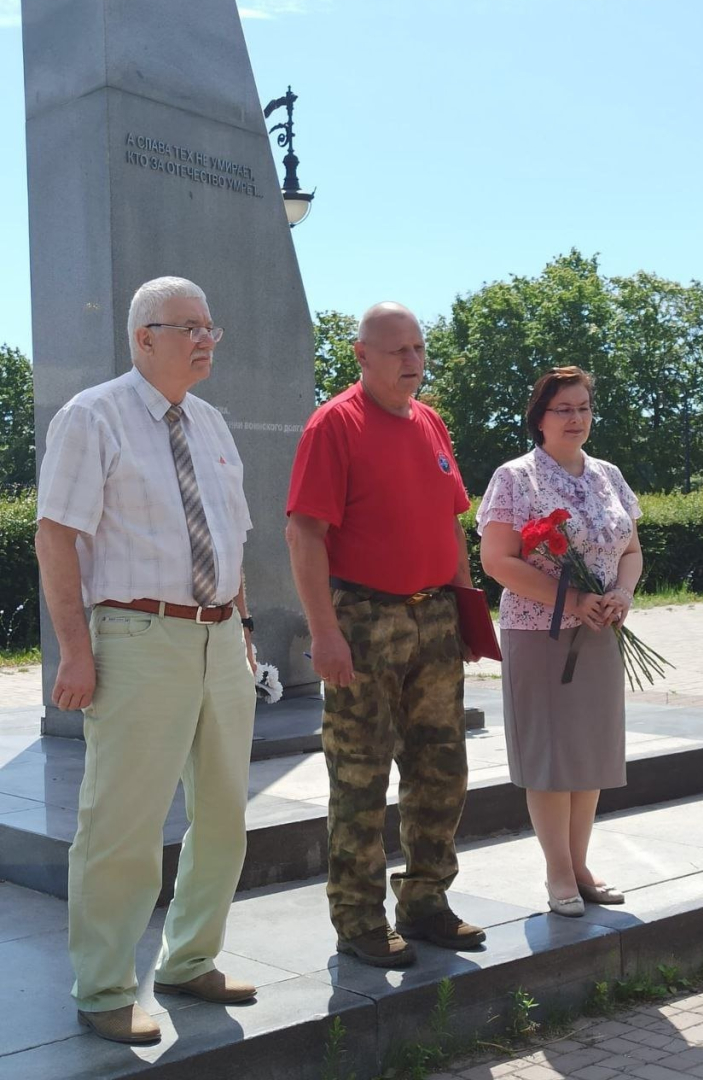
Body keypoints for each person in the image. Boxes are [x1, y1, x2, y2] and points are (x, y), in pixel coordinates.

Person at [35, 277, 258, 1045]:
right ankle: (102, 987)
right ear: (143, 337)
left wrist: (245, 627)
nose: (205, 339)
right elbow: (56, 536)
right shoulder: (93, 416)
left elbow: (235, 538)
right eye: (187, 327)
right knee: (122, 823)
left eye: (210, 326)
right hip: (135, 636)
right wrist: (74, 650)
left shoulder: (213, 424)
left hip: (221, 638)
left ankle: (190, 956)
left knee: (226, 813)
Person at [285, 301, 485, 968]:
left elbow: (452, 521)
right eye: (396, 350)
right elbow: (304, 532)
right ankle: (359, 916)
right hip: (363, 619)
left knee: (442, 770)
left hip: (433, 620)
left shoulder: (430, 423)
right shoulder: (334, 423)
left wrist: (462, 609)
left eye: (418, 348)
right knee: (361, 774)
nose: (412, 361)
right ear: (361, 354)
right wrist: (325, 631)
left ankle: (425, 900)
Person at [477, 366, 642, 918]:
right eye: (563, 409)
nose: (575, 418)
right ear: (539, 418)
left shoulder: (609, 475)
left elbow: (631, 549)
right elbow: (497, 561)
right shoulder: (516, 478)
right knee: (549, 756)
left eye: (583, 408)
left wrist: (621, 592)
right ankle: (557, 872)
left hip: (601, 633)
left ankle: (580, 862)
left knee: (588, 754)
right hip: (539, 633)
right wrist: (571, 601)